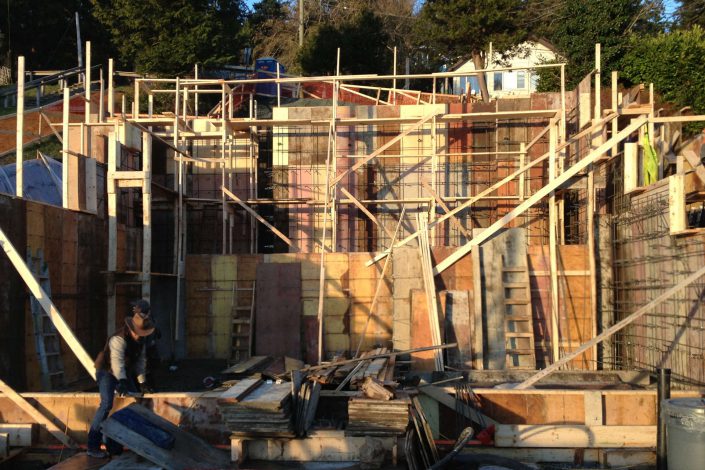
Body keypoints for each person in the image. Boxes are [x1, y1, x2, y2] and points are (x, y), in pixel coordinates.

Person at [86, 301, 155, 458]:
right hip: (106, 371)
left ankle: (134, 440)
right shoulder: (118, 339)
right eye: (138, 332)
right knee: (106, 404)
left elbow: (140, 361)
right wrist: (122, 381)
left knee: (138, 401)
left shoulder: (141, 340)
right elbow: (117, 363)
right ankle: (92, 445)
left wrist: (142, 381)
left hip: (124, 370)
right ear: (131, 329)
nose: (140, 336)